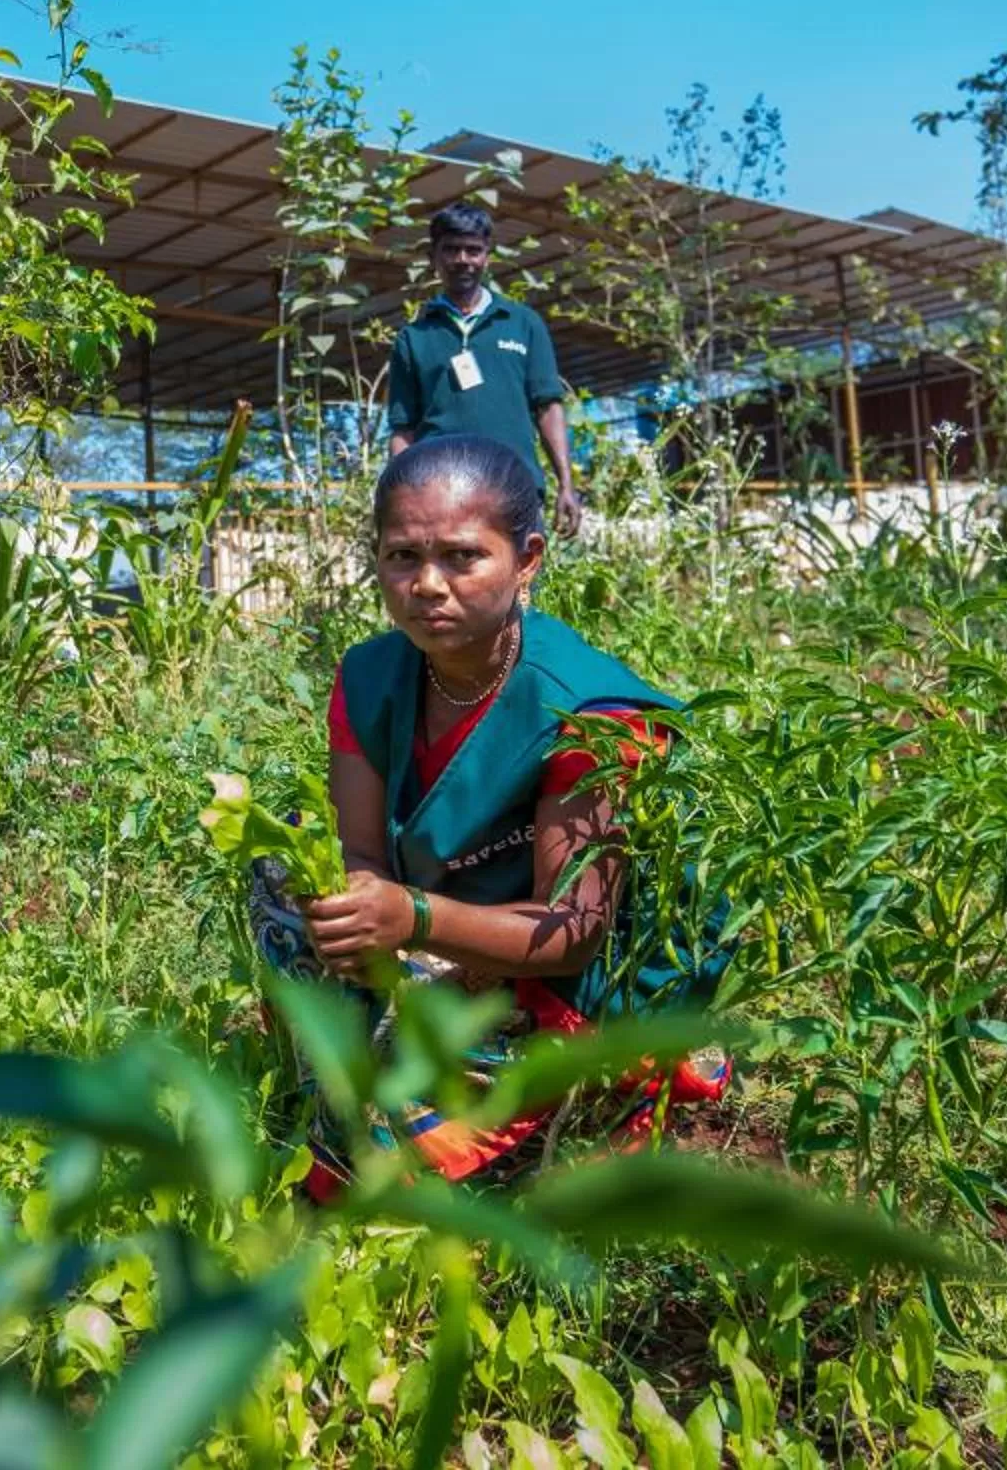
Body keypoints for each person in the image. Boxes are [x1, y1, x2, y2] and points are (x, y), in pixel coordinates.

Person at [247, 435, 725, 1194]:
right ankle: (366, 1051)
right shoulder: (370, 674)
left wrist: (412, 922)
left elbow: (575, 930)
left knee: (389, 1149)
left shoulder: (587, 712)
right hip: (429, 933)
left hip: (547, 968)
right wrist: (365, 922)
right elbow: (361, 847)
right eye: (402, 557)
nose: (428, 584)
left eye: (463, 557)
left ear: (527, 559)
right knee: (282, 870)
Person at [384, 202, 585, 537]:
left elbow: (548, 406)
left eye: (473, 250)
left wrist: (566, 484)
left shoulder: (523, 324)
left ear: (487, 257)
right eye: (451, 250)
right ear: (434, 257)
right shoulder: (414, 338)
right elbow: (403, 430)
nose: (463, 260)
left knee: (522, 587)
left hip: (514, 487)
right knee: (451, 588)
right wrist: (395, 496)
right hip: (442, 495)